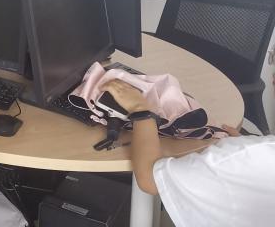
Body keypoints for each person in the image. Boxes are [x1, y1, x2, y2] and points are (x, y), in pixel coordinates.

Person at [102, 78, 275, 227]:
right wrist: (248, 149)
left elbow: (150, 179)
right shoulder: (257, 157)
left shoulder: (245, 157)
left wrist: (140, 109)